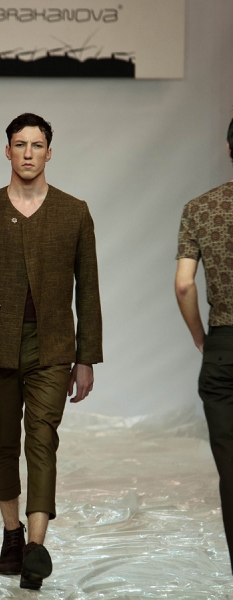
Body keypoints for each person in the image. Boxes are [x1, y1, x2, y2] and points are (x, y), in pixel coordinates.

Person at [0, 113, 103, 589]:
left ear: (49, 153)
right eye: (20, 144)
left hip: (52, 346)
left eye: (37, 145)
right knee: (2, 440)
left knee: (42, 438)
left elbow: (88, 290)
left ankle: (35, 547)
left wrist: (86, 356)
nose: (29, 153)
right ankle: (11, 534)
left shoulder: (74, 212)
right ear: (8, 151)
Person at [175, 117, 233, 573]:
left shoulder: (201, 208)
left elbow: (184, 285)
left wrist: (202, 338)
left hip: (223, 349)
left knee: (231, 474)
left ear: (229, 149)